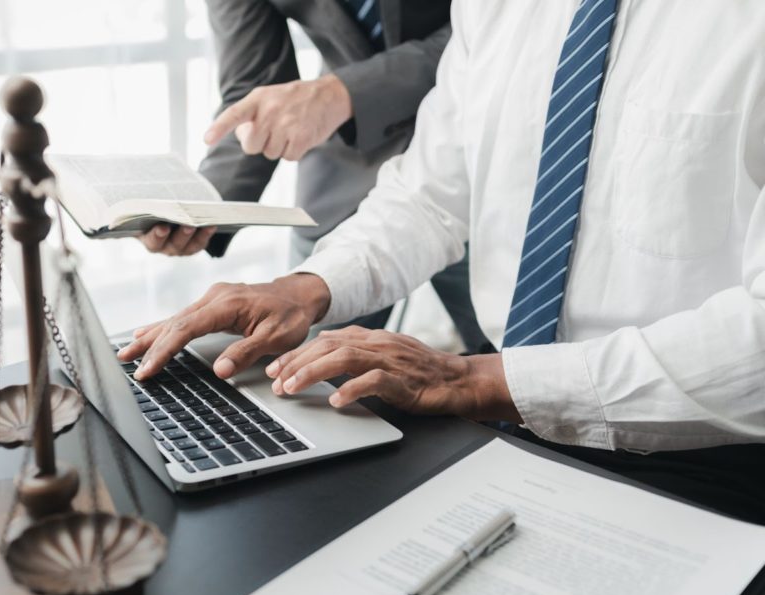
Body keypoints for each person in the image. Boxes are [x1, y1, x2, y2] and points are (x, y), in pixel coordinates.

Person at [120, 0, 765, 460]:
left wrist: (473, 381)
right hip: (510, 431)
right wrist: (308, 285)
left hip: (702, 458)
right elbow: (430, 195)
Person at [137, 0, 489, 350]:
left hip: (478, 147)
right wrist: (204, 206)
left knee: (506, 352)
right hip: (344, 158)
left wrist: (345, 93)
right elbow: (255, 86)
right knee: (303, 362)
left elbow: (493, 30)